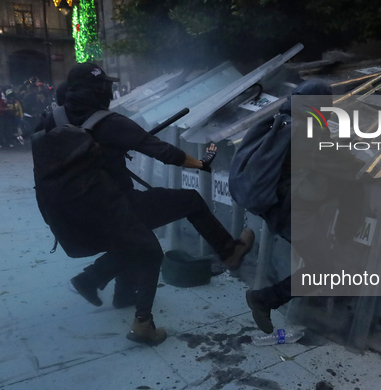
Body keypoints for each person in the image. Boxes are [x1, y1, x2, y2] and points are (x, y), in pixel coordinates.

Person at [35, 62, 254, 346]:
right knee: (157, 237)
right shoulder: (109, 122)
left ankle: (105, 286)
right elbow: (164, 152)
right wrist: (201, 162)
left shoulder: (50, 120)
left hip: (72, 217)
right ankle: (145, 323)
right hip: (114, 208)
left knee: (132, 238)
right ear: (100, 91)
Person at [229, 80, 365, 333]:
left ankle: (268, 297)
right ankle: (263, 299)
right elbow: (351, 168)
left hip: (275, 205)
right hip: (292, 213)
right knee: (323, 269)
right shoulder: (308, 133)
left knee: (320, 264)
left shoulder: (283, 120)